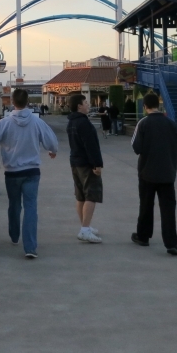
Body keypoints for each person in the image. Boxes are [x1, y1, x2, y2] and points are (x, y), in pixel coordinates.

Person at [0, 88, 59, 259]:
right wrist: (52, 150)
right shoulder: (36, 122)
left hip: (12, 172)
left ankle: (14, 235)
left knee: (14, 205)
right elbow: (51, 140)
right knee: (31, 207)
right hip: (32, 171)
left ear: (12, 102)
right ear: (28, 101)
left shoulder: (6, 122)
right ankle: (30, 247)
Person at [130, 93, 177, 255]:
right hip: (168, 173)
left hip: (147, 172)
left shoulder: (143, 123)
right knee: (168, 208)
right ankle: (171, 243)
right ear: (159, 105)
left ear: (145, 106)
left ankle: (143, 236)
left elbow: (136, 147)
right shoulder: (171, 124)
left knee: (146, 205)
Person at [66, 94, 104, 243]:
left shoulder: (71, 122)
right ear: (79, 106)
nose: (88, 104)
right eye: (85, 102)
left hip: (75, 162)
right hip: (87, 164)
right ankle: (85, 229)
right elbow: (91, 146)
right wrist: (97, 164)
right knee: (91, 195)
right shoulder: (84, 124)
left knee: (80, 195)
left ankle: (85, 226)